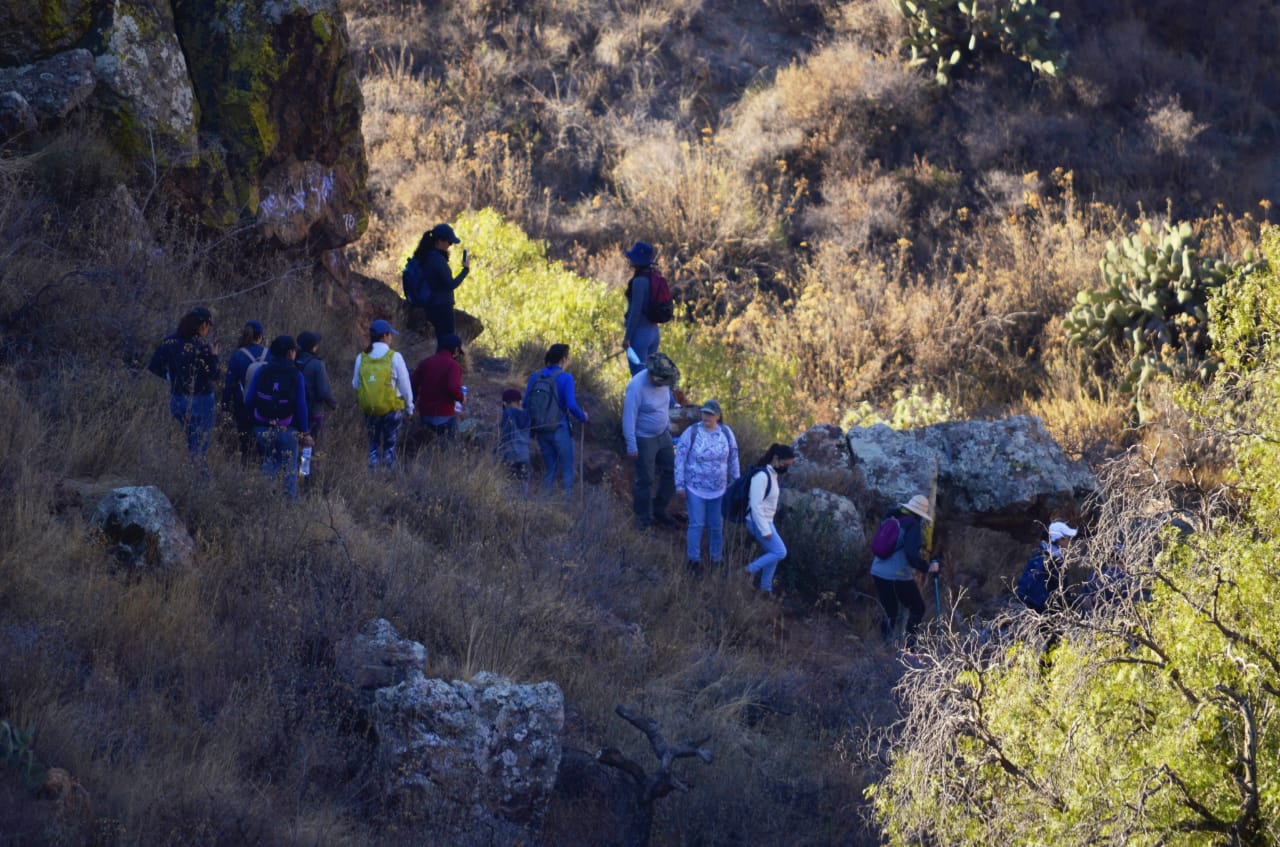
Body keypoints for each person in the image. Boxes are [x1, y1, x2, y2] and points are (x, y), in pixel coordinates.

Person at [674, 399, 740, 575]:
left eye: (710, 414)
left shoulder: (726, 433)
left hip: (719, 490)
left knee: (716, 525)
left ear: (718, 416)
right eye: (704, 413)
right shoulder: (692, 432)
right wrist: (679, 484)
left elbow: (733, 457)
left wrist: (737, 482)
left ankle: (715, 559)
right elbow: (680, 457)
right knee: (696, 524)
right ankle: (693, 561)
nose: (706, 417)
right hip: (695, 488)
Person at [147, 306, 221, 459]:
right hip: (202, 400)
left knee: (192, 441)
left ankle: (190, 474)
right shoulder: (202, 347)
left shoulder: (169, 341)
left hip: (178, 399)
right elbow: (214, 375)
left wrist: (171, 377)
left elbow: (154, 366)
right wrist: (214, 356)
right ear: (203, 325)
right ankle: (199, 479)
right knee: (200, 448)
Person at [869, 494, 939, 649]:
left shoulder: (891, 518)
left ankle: (884, 648)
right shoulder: (912, 526)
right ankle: (910, 649)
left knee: (890, 611)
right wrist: (928, 567)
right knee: (918, 608)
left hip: (877, 571)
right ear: (919, 514)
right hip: (898, 576)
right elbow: (911, 555)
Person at [245, 335, 309, 499]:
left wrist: (252, 422)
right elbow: (301, 405)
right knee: (289, 470)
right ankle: (290, 507)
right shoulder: (296, 374)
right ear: (290, 353)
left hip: (262, 425)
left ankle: (265, 502)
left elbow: (250, 399)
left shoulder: (262, 370)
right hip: (286, 427)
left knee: (268, 463)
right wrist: (305, 432)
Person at [622, 351, 679, 529]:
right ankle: (642, 520)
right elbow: (628, 418)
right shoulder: (636, 387)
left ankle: (659, 509)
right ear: (652, 375)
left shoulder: (664, 379)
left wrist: (675, 406)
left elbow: (667, 396)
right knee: (645, 479)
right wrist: (631, 445)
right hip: (644, 438)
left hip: (664, 433)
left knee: (673, 470)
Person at [524, 343, 589, 496]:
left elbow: (526, 402)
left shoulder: (536, 375)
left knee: (550, 469)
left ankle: (545, 506)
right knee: (567, 469)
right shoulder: (566, 377)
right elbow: (571, 405)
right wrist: (582, 416)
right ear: (563, 359)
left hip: (540, 429)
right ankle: (565, 509)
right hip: (559, 429)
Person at [353, 319, 414, 471]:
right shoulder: (395, 357)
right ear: (385, 336)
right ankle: (389, 478)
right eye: (390, 335)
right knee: (389, 446)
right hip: (391, 410)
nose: (391, 338)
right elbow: (405, 385)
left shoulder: (362, 357)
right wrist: (409, 407)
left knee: (373, 444)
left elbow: (355, 384)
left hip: (370, 409)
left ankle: (372, 474)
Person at [744, 444, 794, 594]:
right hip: (758, 522)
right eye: (785, 464)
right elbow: (755, 504)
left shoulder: (773, 475)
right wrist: (765, 529)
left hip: (766, 521)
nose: (786, 468)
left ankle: (765, 589)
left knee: (773, 555)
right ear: (776, 458)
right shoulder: (761, 476)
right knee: (780, 552)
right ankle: (747, 571)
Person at [406, 223, 470, 340]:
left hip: (431, 305)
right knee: (447, 339)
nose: (450, 245)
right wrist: (465, 270)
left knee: (440, 340)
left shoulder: (425, 256)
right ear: (440, 241)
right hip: (442, 306)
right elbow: (450, 284)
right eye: (449, 242)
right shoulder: (437, 259)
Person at [220, 320, 267, 461]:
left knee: (245, 443)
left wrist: (225, 404)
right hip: (266, 405)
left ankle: (246, 468)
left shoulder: (237, 355)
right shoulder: (269, 353)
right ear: (260, 337)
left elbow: (230, 383)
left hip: (243, 404)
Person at [410, 333, 466, 441]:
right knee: (452, 445)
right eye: (458, 352)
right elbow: (453, 388)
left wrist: (413, 403)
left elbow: (413, 383)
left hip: (424, 414)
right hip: (444, 415)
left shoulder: (425, 363)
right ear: (455, 350)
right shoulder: (453, 366)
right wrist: (462, 398)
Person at [1014, 520, 1078, 613]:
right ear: (1060, 539)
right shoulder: (1056, 561)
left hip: (1034, 607)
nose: (1070, 541)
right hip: (1047, 610)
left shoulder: (1039, 554)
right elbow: (1059, 592)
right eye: (1068, 537)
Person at [622, 240, 661, 376]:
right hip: (654, 332)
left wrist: (627, 338)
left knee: (639, 378)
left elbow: (635, 312)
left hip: (640, 334)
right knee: (651, 377)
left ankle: (671, 399)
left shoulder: (639, 282)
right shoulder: (654, 277)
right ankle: (670, 398)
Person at [295, 331, 337, 441]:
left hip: (294, 412)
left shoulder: (292, 362)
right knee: (315, 446)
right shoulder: (317, 365)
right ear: (313, 347)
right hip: (314, 412)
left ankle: (300, 458)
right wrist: (334, 404)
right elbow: (324, 391)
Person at [497, 388, 531, 492]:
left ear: (506, 402)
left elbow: (505, 436)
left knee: (508, 485)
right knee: (523, 486)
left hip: (510, 454)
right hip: (525, 455)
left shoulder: (508, 413)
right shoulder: (528, 414)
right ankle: (522, 506)